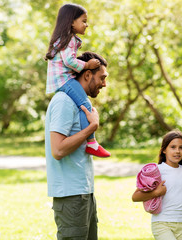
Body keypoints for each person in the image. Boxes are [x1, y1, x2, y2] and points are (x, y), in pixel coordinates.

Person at [45, 51, 109, 240]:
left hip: (83, 193)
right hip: (70, 194)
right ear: (87, 74)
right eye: (102, 78)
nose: (104, 84)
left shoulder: (79, 102)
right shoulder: (64, 101)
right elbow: (57, 150)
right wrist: (92, 128)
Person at [45, 3, 110, 158]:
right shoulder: (68, 40)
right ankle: (92, 143)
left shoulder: (67, 40)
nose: (86, 25)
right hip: (64, 80)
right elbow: (69, 61)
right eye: (84, 21)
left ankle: (91, 143)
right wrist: (87, 64)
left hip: (63, 79)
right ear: (71, 21)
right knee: (86, 105)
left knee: (83, 105)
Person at [132, 130, 182, 240]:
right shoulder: (157, 170)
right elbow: (135, 196)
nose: (177, 151)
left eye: (181, 147)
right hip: (161, 223)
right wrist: (156, 192)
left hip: (181, 223)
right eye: (173, 147)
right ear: (164, 150)